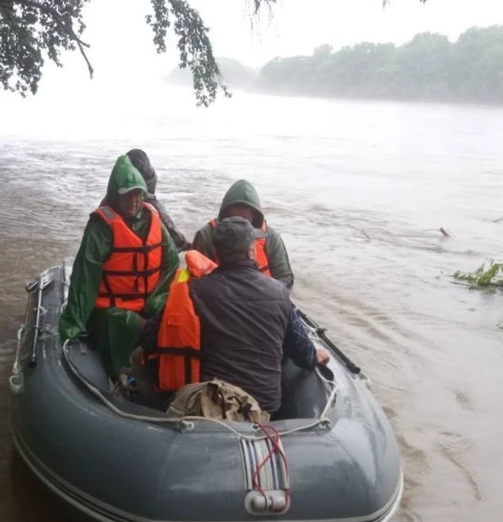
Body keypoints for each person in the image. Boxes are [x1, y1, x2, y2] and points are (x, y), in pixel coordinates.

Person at [140, 217, 328, 415]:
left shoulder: (191, 291)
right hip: (261, 410)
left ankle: (153, 416)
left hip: (208, 404)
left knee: (139, 358)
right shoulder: (279, 293)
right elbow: (303, 353)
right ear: (251, 252)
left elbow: (147, 338)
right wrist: (315, 355)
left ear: (217, 255)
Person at [59, 155, 179, 378]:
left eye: (137, 194)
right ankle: (121, 377)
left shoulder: (153, 218)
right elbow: (85, 278)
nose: (133, 201)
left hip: (148, 303)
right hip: (112, 309)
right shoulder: (100, 227)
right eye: (127, 195)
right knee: (133, 326)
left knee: (173, 325)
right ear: (115, 195)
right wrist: (72, 326)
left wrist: (158, 300)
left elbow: (171, 263)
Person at [191, 179, 293, 289]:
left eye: (244, 219)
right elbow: (195, 278)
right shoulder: (206, 236)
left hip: (263, 299)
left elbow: (285, 278)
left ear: (254, 218)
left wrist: (265, 298)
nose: (238, 224)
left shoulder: (270, 238)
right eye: (233, 218)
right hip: (219, 299)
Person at [100, 149, 190, 251]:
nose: (132, 201)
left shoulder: (105, 205)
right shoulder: (153, 207)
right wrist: (187, 245)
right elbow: (174, 239)